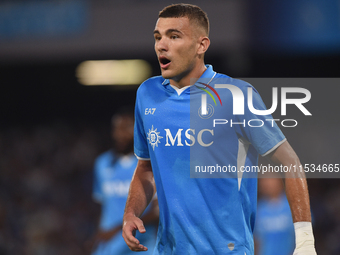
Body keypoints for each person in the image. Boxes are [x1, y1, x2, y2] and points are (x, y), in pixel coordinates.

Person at [122, 3, 317, 255]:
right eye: (158, 37)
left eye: (174, 36)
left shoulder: (236, 95)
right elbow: (145, 168)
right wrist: (130, 213)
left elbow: (289, 161)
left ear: (201, 45)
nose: (162, 44)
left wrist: (304, 240)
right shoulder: (147, 94)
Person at [91, 110, 158, 255]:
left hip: (142, 245)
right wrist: (99, 235)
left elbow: (157, 211)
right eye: (117, 128)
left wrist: (119, 228)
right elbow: (101, 205)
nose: (120, 133)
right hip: (109, 245)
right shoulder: (102, 164)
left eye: (126, 128)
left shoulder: (149, 165)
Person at [254, 175, 295, 255]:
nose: (268, 183)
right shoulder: (258, 209)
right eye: (264, 180)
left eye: (271, 178)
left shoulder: (293, 206)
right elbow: (256, 240)